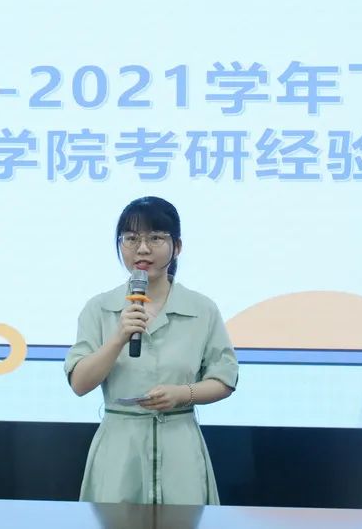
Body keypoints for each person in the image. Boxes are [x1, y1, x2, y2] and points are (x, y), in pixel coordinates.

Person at [64, 196, 239, 505]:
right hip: (120, 450)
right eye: (131, 239)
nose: (142, 249)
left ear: (177, 246)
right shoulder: (100, 308)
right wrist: (118, 337)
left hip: (180, 447)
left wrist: (183, 393)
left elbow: (224, 379)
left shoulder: (202, 309)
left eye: (156, 238)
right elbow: (79, 383)